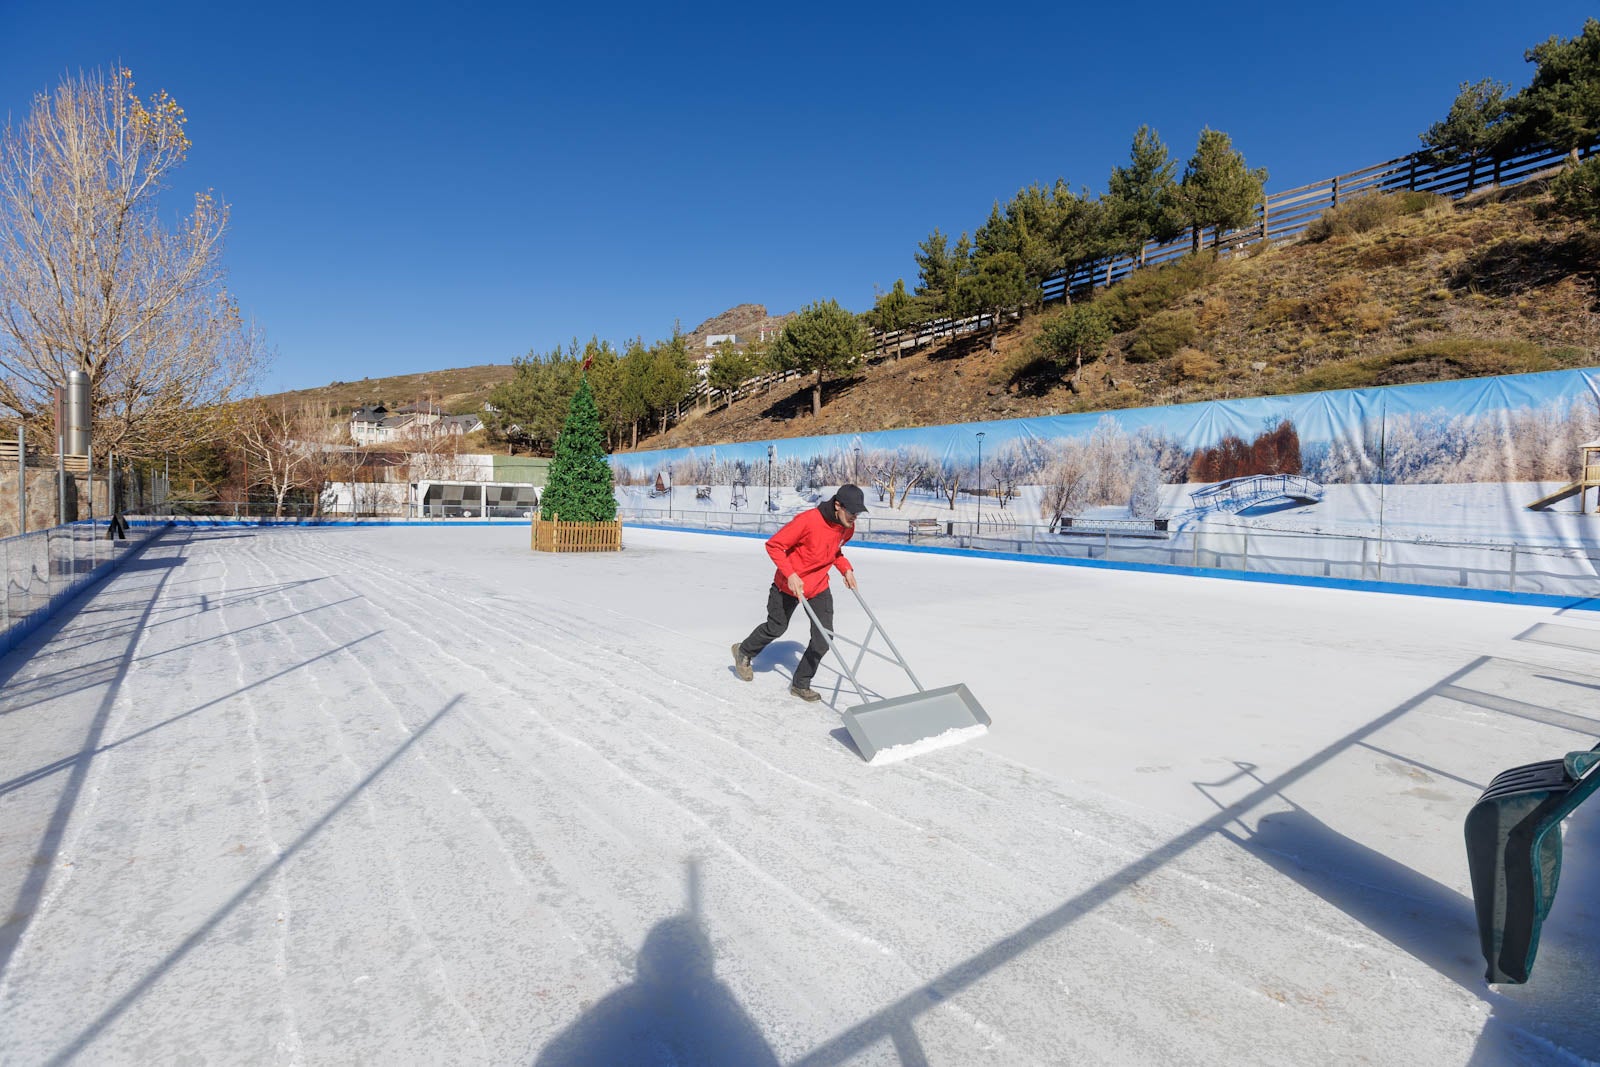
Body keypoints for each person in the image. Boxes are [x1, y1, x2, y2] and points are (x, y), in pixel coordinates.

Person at [731, 483, 866, 701]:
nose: (854, 518)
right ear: (838, 505)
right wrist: (791, 574)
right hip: (788, 585)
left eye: (858, 513)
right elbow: (774, 546)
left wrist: (846, 568)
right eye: (852, 512)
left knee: (824, 638)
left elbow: (835, 551)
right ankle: (744, 651)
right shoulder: (809, 521)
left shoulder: (846, 527)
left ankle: (801, 683)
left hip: (818, 585)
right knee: (776, 627)